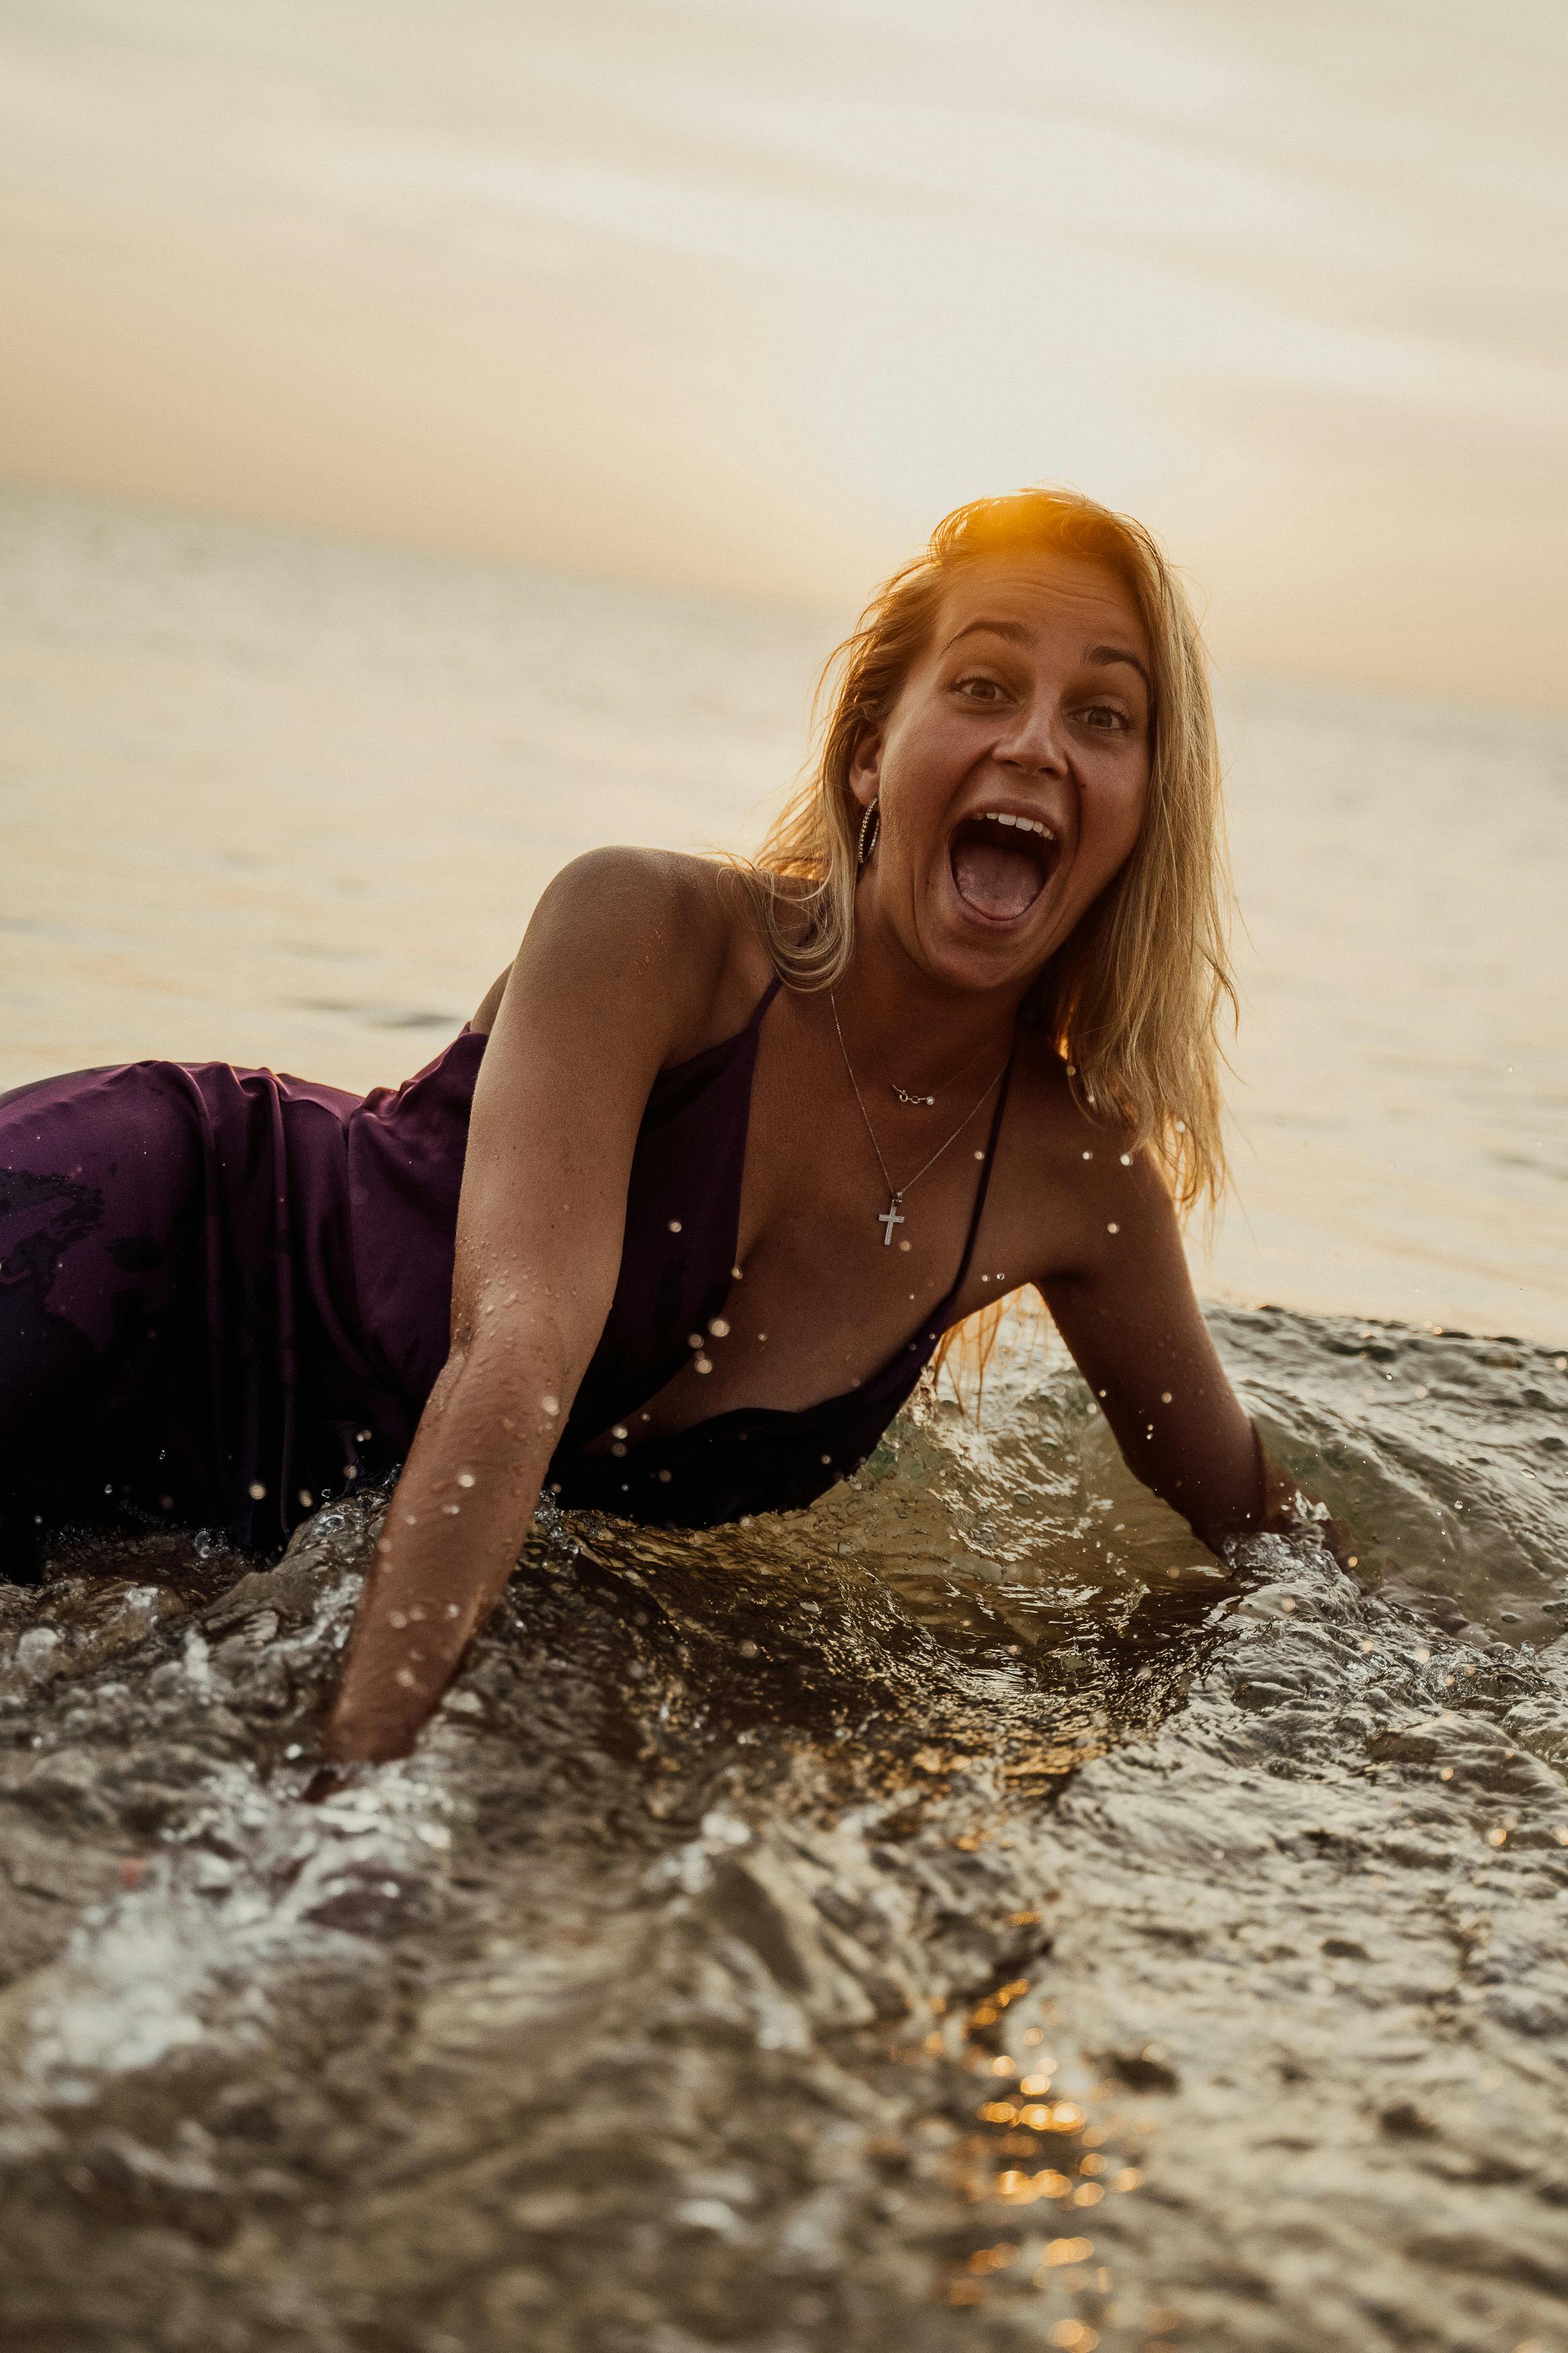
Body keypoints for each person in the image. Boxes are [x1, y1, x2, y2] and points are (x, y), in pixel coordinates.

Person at [0, 487, 1321, 1768]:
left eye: (1102, 713)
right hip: (128, 1260)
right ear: (871, 750)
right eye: (981, 687)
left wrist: (1471, 1674)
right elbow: (512, 1360)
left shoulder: (1077, 1179)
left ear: (1148, 801)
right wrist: (360, 1779)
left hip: (235, 1538)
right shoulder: (650, 932)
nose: (1035, 742)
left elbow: (1255, 1522)